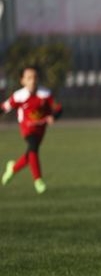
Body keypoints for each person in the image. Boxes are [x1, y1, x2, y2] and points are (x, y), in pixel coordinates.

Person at [1, 66, 63, 194]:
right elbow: (4, 108)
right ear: (22, 81)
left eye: (34, 77)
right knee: (33, 148)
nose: (32, 80)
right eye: (29, 78)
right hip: (27, 128)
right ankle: (38, 180)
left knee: (30, 153)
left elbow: (58, 108)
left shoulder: (45, 94)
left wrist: (54, 116)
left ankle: (12, 168)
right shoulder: (19, 96)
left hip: (41, 128)